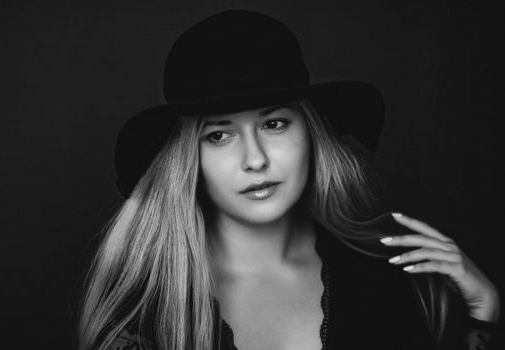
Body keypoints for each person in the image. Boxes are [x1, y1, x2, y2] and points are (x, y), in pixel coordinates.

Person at [77, 10, 501, 350]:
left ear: (311, 133)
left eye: (275, 124)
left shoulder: (393, 282)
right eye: (219, 135)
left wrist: (484, 318)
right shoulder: (146, 321)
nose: (255, 160)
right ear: (189, 161)